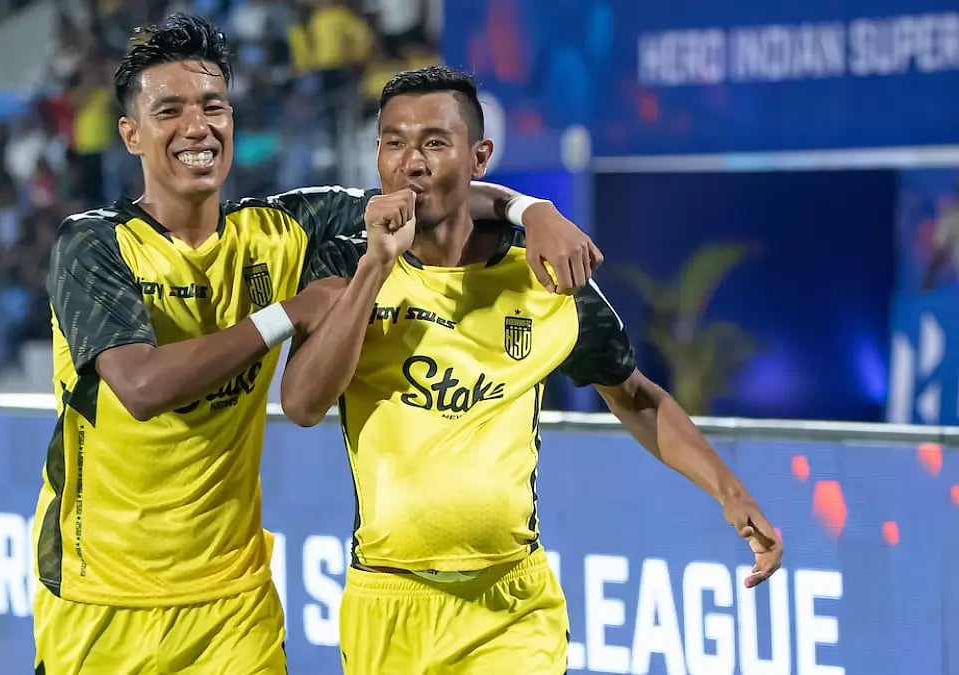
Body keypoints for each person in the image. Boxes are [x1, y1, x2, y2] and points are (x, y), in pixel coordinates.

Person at [31, 15, 604, 675]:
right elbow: (141, 387)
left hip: (232, 606)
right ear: (130, 133)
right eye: (170, 111)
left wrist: (531, 210)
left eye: (213, 106)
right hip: (101, 603)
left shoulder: (283, 230)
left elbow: (429, 192)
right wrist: (288, 312)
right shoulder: (93, 245)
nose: (198, 126)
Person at [280, 65, 784, 673]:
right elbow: (304, 406)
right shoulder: (345, 262)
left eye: (435, 143)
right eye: (393, 142)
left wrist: (730, 494)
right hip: (387, 602)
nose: (410, 162)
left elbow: (634, 395)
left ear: (479, 156)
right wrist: (375, 270)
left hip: (511, 607)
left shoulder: (544, 278)